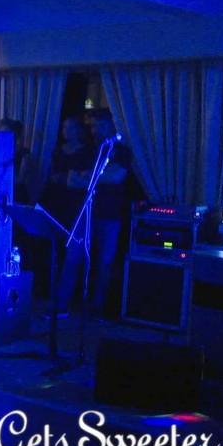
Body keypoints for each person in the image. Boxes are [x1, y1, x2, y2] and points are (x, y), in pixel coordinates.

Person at [55, 110, 132, 318]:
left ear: (110, 125)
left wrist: (88, 176)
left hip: (111, 214)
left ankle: (98, 306)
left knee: (105, 261)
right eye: (91, 126)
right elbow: (71, 180)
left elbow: (117, 177)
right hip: (85, 211)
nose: (94, 130)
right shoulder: (87, 151)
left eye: (98, 125)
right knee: (73, 257)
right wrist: (99, 176)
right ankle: (62, 303)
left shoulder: (121, 151)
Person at [0, 118, 36, 205]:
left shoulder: (24, 154)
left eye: (5, 133)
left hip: (16, 195)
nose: (1, 135)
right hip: (0, 193)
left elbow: (20, 179)